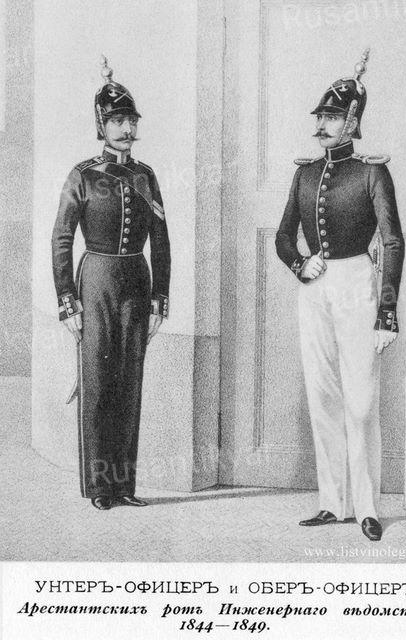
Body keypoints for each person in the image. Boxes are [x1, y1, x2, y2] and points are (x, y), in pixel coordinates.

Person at [275, 50, 404, 541]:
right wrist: (299, 263)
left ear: (352, 121)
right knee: (323, 395)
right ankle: (332, 503)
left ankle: (367, 507)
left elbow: (392, 241)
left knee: (362, 401)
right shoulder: (305, 173)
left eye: (332, 116)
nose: (323, 125)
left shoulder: (373, 172)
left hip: (358, 285)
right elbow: (283, 236)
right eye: (321, 116)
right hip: (314, 290)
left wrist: (386, 311)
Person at [52, 57, 171, 510]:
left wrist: (160, 297)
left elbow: (161, 240)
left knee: (129, 384)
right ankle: (100, 487)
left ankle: (124, 485)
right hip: (96, 281)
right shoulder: (82, 175)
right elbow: (62, 238)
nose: (126, 129)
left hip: (136, 281)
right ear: (101, 126)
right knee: (99, 384)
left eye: (131, 121)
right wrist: (67, 300)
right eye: (118, 121)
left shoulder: (146, 175)